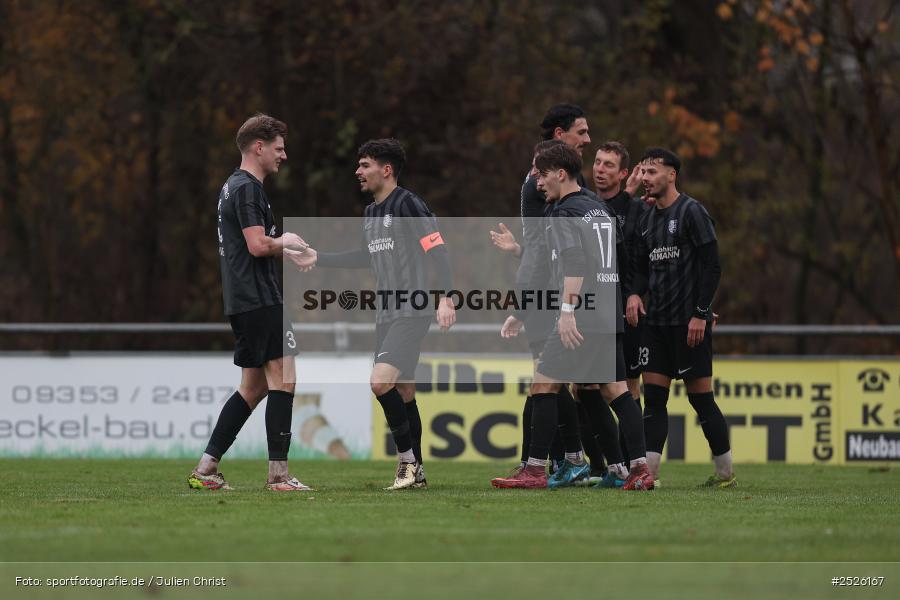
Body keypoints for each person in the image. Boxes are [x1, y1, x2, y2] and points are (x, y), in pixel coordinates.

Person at [287, 138, 455, 490]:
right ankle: (417, 471)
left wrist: (446, 298)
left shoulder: (409, 205)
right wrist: (319, 257)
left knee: (380, 382)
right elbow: (365, 257)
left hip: (413, 309)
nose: (358, 172)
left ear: (386, 169)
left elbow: (438, 252)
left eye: (365, 165)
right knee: (404, 391)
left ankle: (407, 462)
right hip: (386, 313)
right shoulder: (371, 213)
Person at [492, 143, 653, 491]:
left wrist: (566, 312)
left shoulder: (563, 213)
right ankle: (637, 469)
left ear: (560, 174)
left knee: (543, 385)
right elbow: (618, 261)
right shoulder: (599, 208)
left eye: (542, 174)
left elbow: (575, 262)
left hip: (580, 315)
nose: (538, 182)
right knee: (616, 391)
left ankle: (535, 470)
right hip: (607, 313)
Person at [188, 113, 312, 492]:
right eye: (279, 148)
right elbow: (259, 245)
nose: (284, 155)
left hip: (242, 299)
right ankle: (278, 477)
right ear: (259, 147)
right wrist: (284, 242)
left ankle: (206, 470)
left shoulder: (233, 187)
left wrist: (285, 251)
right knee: (284, 380)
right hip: (259, 299)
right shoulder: (247, 188)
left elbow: (256, 244)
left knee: (253, 388)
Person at [489, 105, 603, 487]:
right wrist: (524, 303)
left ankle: (565, 461)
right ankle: (569, 460)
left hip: (559, 291)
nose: (588, 139)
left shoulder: (567, 184)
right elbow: (543, 248)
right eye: (581, 132)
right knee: (550, 377)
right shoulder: (540, 182)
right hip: (546, 292)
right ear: (560, 135)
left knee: (552, 378)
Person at [627, 147, 735, 488]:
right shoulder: (647, 218)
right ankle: (650, 476)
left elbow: (712, 266)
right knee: (654, 401)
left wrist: (700, 313)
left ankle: (725, 473)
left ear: (671, 174)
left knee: (701, 399)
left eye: (653, 171)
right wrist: (634, 293)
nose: (646, 177)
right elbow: (643, 270)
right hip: (656, 324)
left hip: (689, 325)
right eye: (643, 171)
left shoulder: (691, 212)